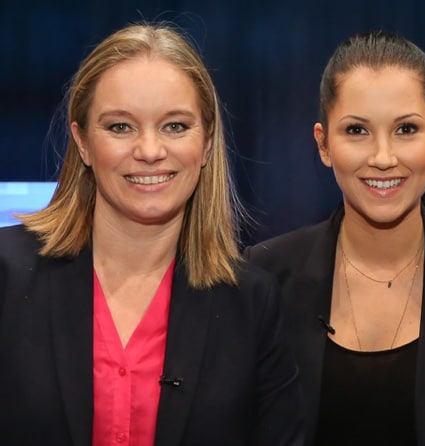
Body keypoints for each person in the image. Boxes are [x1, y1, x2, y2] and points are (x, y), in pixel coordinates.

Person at [0, 23, 303, 445]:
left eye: (175, 126)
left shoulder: (251, 301)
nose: (149, 150)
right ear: (83, 142)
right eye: (120, 127)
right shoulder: (6, 277)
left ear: (207, 142)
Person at [245, 30, 425, 446]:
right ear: (323, 144)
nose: (383, 158)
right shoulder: (267, 274)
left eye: (405, 129)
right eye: (357, 131)